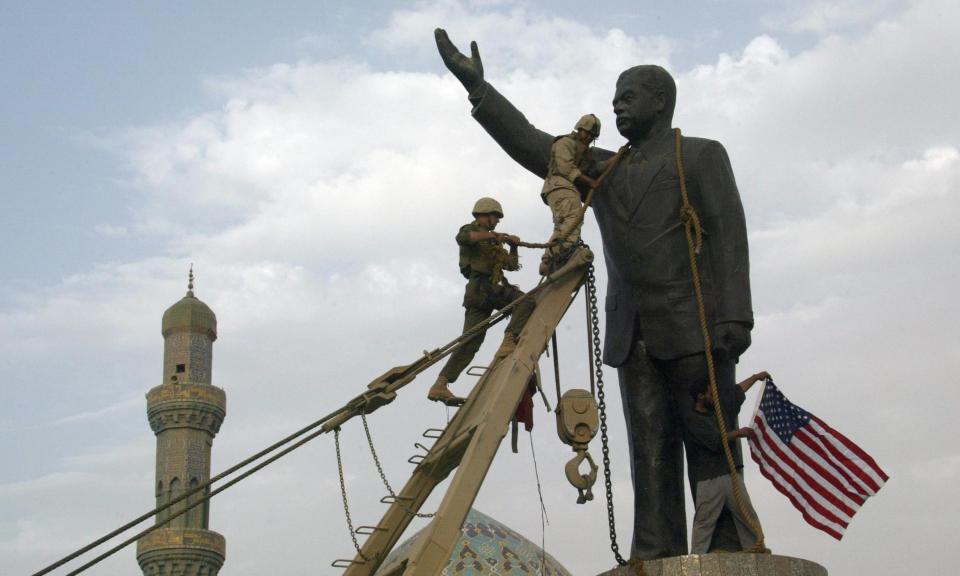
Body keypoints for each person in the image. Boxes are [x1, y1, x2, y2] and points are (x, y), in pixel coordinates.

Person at [435, 30, 754, 558]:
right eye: (614, 99)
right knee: (647, 451)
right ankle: (655, 550)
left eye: (628, 97)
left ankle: (726, 545)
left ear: (661, 101)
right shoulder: (603, 170)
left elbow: (729, 235)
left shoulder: (699, 156)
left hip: (696, 325)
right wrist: (480, 91)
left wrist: (735, 320)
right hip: (634, 335)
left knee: (708, 439)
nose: (616, 107)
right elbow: (539, 146)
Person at [427, 197, 536, 406]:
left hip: (482, 292)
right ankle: (509, 341)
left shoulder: (493, 242)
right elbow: (463, 238)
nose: (497, 221)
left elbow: (512, 266)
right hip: (482, 288)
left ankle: (440, 384)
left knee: (470, 342)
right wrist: (494, 236)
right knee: (526, 302)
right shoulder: (471, 231)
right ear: (484, 215)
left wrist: (513, 246)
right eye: (495, 217)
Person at [685, 371, 768, 554]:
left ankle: (756, 550)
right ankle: (696, 559)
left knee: (747, 515)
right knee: (704, 522)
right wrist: (738, 433)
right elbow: (714, 441)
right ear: (700, 397)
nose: (713, 396)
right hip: (709, 478)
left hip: (730, 475)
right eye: (710, 394)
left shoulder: (720, 408)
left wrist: (755, 377)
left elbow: (737, 392)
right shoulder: (693, 420)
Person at [539, 114, 602, 275]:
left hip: (564, 188)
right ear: (579, 129)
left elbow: (595, 168)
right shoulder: (565, 143)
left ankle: (549, 260)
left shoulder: (584, 152)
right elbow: (565, 168)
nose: (588, 137)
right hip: (559, 185)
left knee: (563, 224)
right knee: (573, 218)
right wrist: (590, 182)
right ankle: (563, 252)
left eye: (592, 135)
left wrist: (619, 156)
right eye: (586, 132)